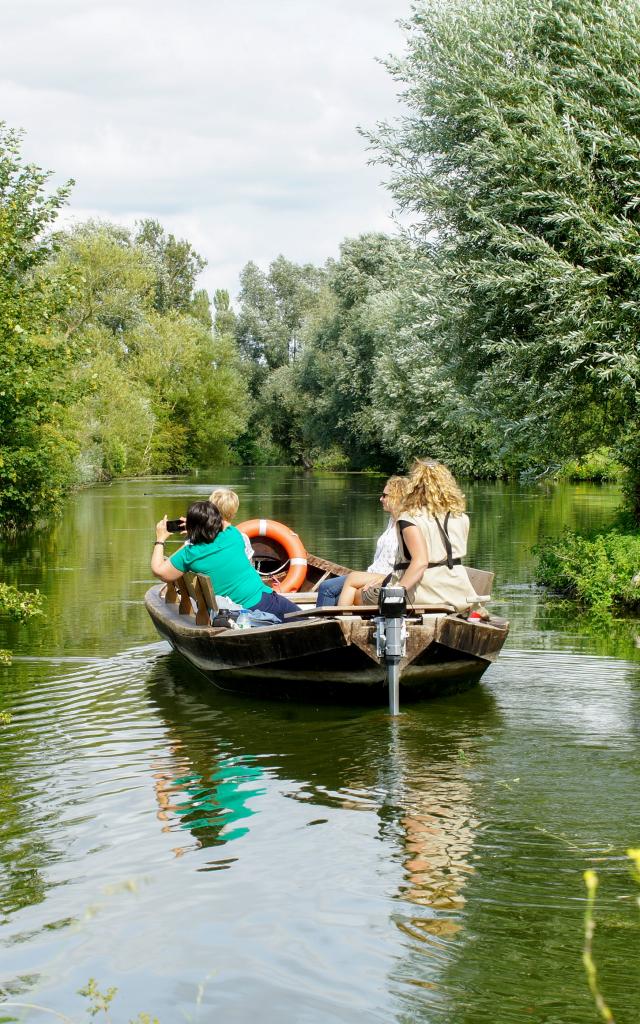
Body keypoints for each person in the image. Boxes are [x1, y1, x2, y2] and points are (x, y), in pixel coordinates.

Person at [151, 500, 299, 623]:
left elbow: (159, 571)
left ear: (192, 528)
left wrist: (160, 539)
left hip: (232, 615)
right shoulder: (233, 535)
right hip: (265, 601)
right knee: (308, 620)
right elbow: (223, 523)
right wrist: (196, 526)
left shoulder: (190, 553)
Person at [391, 459, 477, 612]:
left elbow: (421, 562)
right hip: (460, 593)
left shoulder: (409, 518)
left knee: (361, 595)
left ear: (415, 486)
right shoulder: (461, 517)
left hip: (425, 594)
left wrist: (396, 593)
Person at [316, 475, 408, 608]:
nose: (381, 499)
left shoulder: (406, 525)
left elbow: (406, 561)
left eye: (385, 495)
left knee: (328, 588)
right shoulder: (391, 520)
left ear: (397, 497)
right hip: (371, 572)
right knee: (330, 589)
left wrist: (384, 578)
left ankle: (327, 625)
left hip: (385, 575)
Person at [208, 487, 254, 562]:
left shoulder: (201, 536)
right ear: (234, 514)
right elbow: (249, 565)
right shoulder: (242, 538)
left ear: (210, 510)